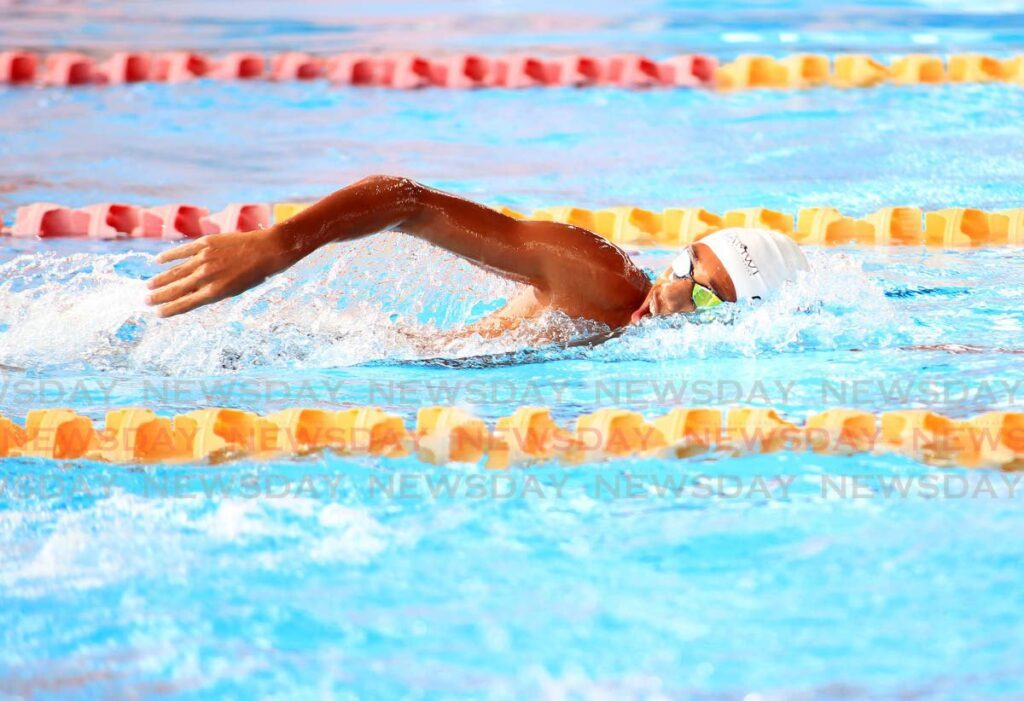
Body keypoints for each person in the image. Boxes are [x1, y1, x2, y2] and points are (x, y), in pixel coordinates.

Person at [146, 175, 809, 338]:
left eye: (703, 301)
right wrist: (278, 243)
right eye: (684, 270)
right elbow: (411, 201)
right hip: (328, 347)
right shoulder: (597, 275)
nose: (670, 296)